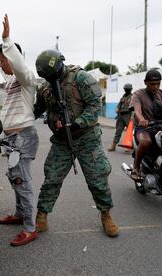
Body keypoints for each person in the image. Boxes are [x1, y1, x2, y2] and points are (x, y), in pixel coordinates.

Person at [33, 49, 119, 238]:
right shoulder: (46, 88)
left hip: (87, 137)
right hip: (62, 141)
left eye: (51, 75)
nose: (50, 79)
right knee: (52, 178)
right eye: (47, 77)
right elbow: (36, 110)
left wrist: (75, 123)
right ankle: (42, 215)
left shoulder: (81, 78)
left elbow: (95, 106)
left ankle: (106, 214)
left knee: (97, 179)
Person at [0, 14, 39, 246]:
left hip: (23, 137)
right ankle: (21, 215)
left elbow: (16, 65)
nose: (1, 65)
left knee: (22, 180)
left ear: (12, 58)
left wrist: (6, 40)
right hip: (11, 139)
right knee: (14, 178)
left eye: (3, 60)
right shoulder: (11, 81)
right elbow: (6, 70)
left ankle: (30, 228)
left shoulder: (25, 77)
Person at [129, 69, 162, 181]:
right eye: (152, 84)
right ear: (145, 82)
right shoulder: (138, 95)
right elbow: (137, 111)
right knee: (146, 142)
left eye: (158, 83)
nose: (155, 87)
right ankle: (136, 167)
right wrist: (142, 119)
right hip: (144, 128)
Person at [108, 83, 133, 151]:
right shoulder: (123, 97)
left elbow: (134, 108)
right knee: (118, 132)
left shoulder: (133, 97)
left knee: (130, 132)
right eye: (125, 89)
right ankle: (113, 145)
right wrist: (117, 108)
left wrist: (132, 117)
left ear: (130, 90)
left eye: (128, 89)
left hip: (128, 116)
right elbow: (119, 105)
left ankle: (129, 146)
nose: (126, 90)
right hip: (121, 116)